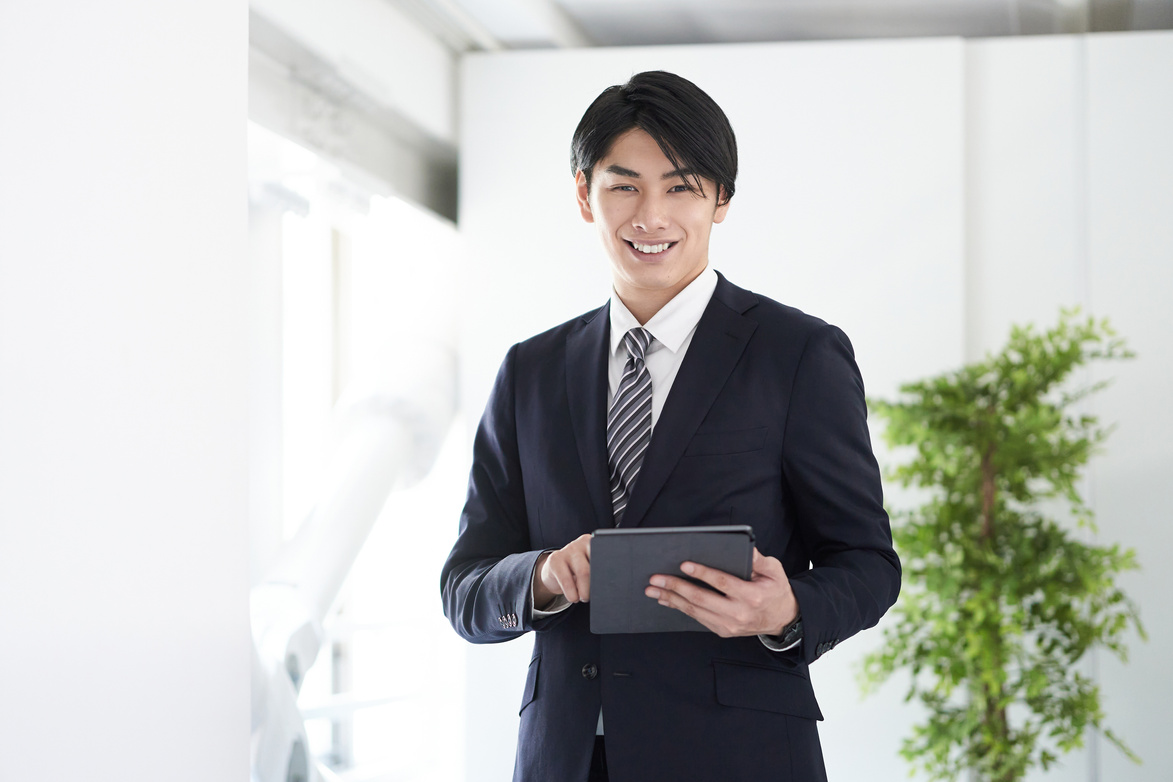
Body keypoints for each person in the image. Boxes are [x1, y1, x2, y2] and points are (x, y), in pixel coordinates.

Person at [441, 70, 900, 782]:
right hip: (566, 755)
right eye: (623, 185)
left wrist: (788, 609)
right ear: (582, 194)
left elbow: (868, 563)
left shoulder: (797, 355)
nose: (650, 216)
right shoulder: (528, 371)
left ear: (720, 200)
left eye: (680, 187)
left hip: (737, 754)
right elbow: (465, 587)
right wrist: (543, 576)